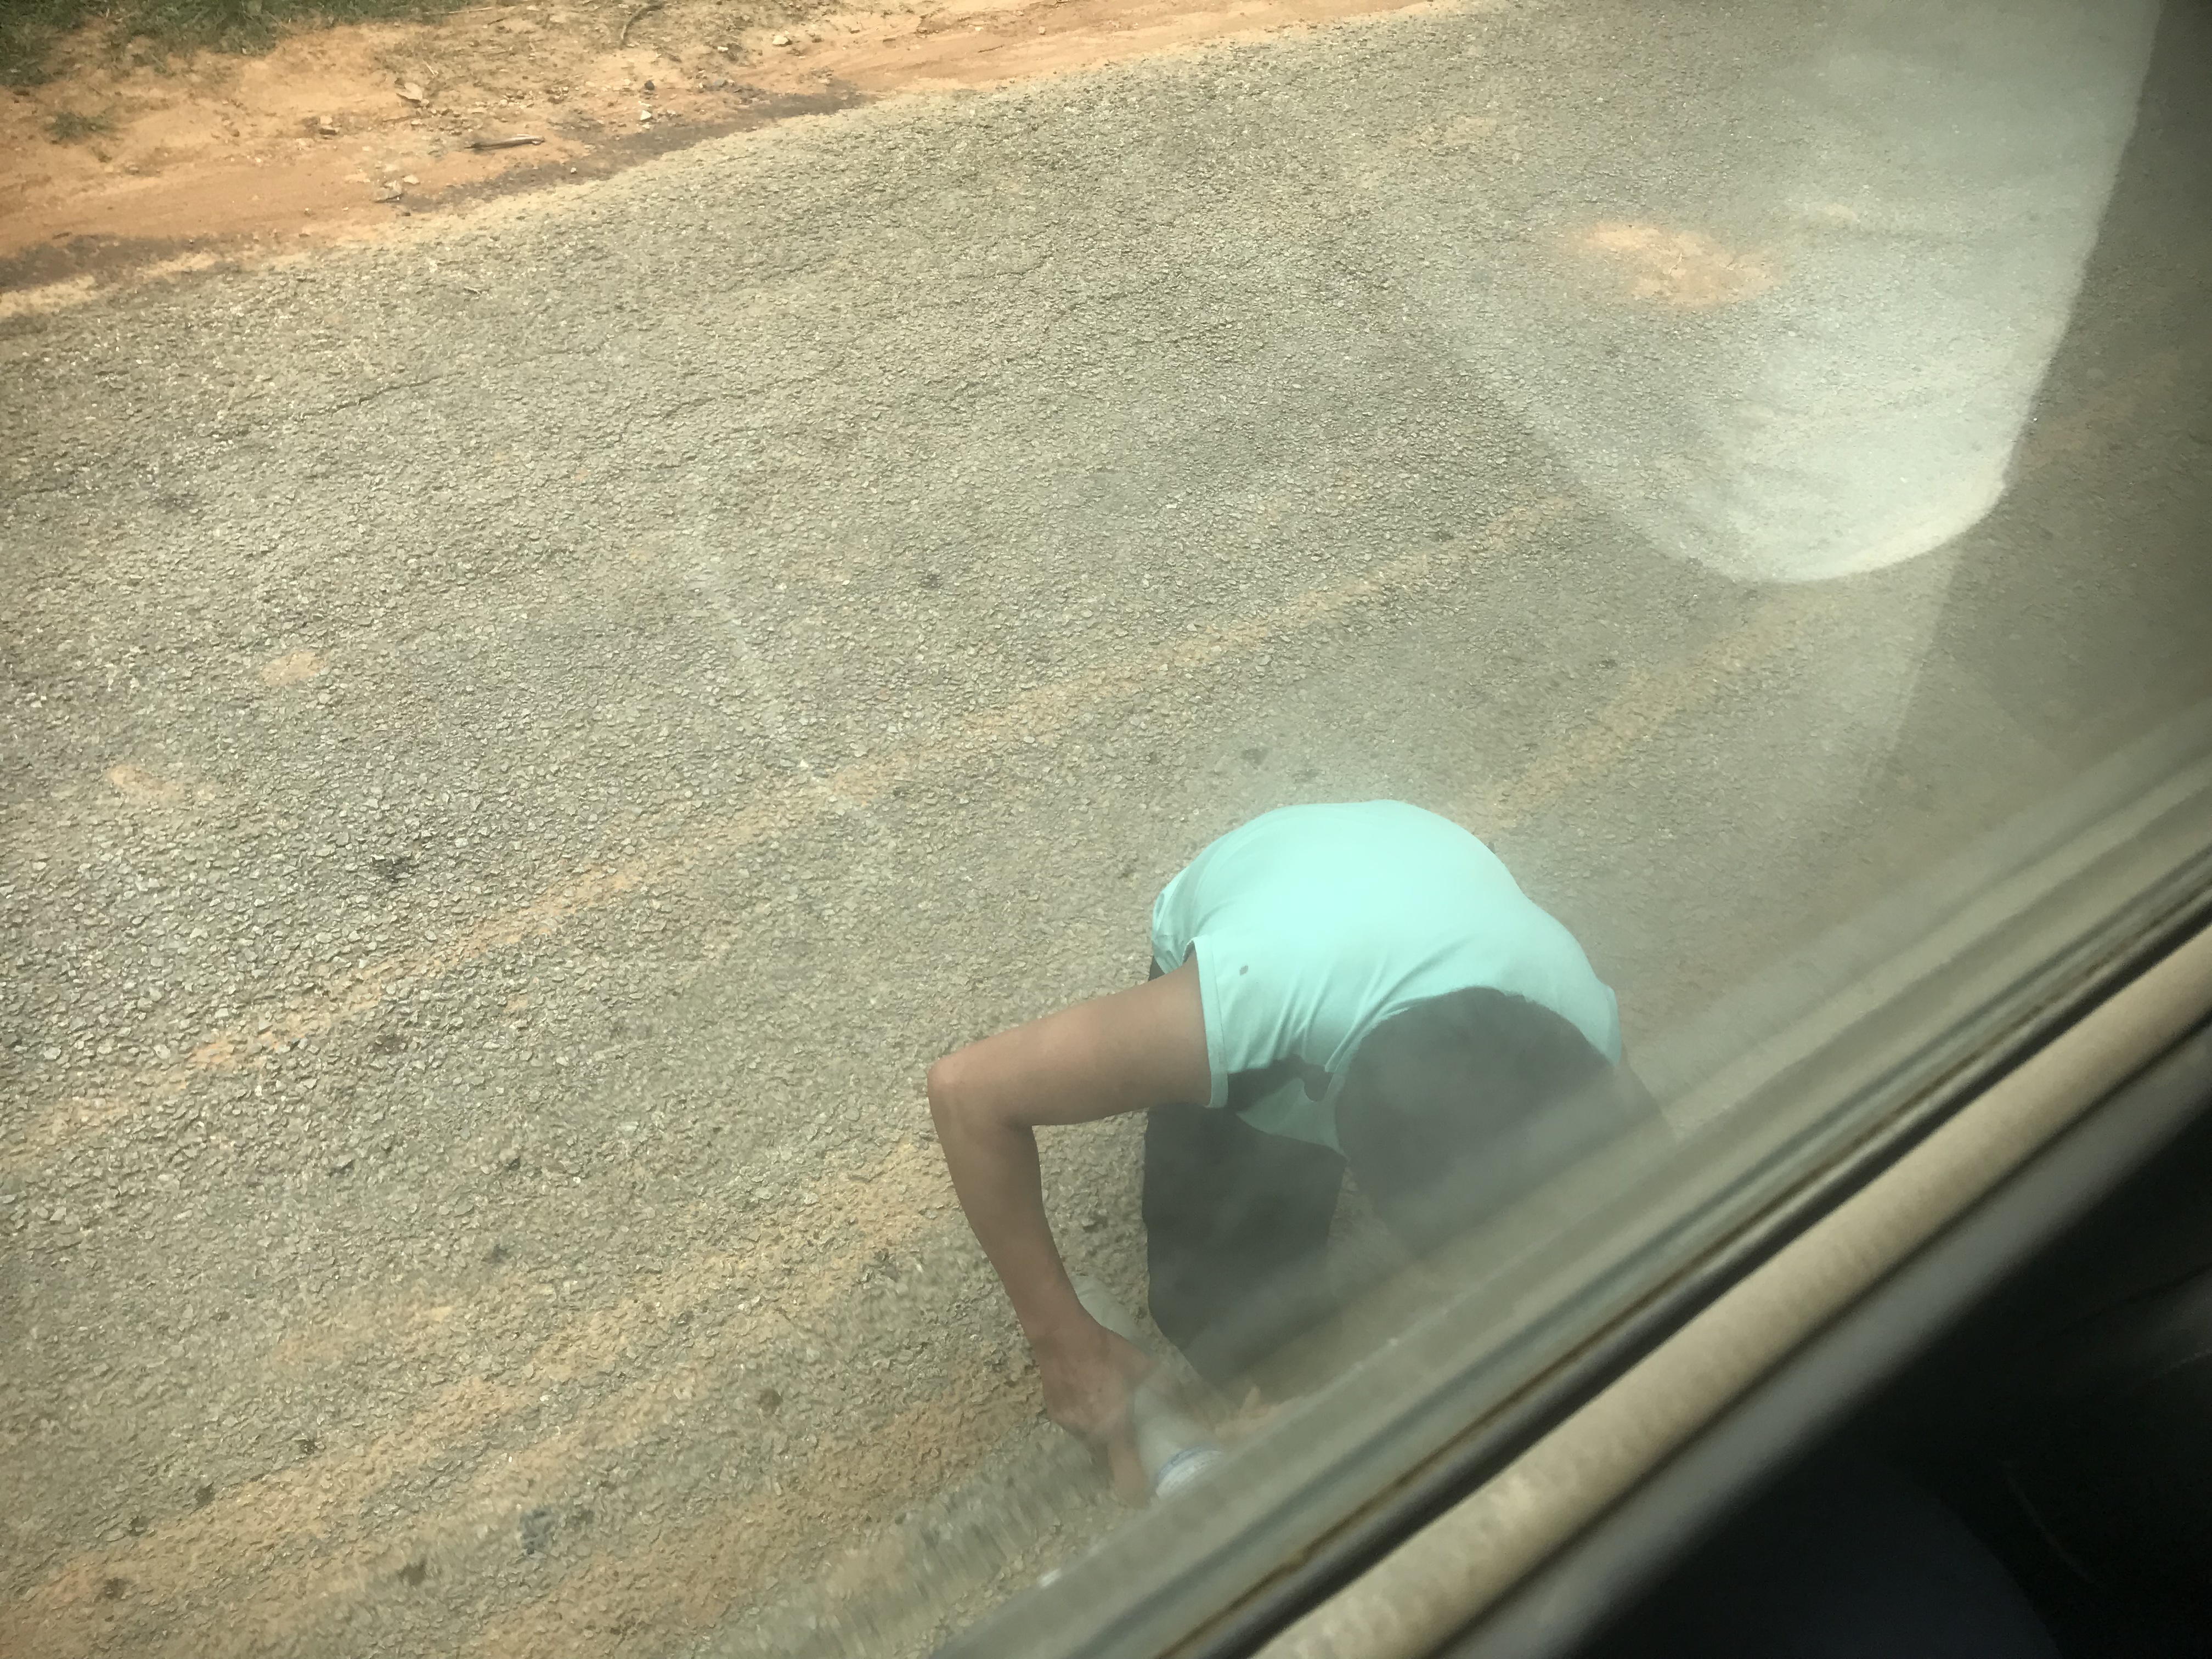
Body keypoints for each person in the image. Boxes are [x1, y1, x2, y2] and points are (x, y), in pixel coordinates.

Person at [926, 800, 1649, 1496]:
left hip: (1419, 864)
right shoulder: (1241, 1012)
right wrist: (1065, 1345)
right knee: (1224, 1308)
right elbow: (967, 1094)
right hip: (1280, 901)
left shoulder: (1581, 1033)